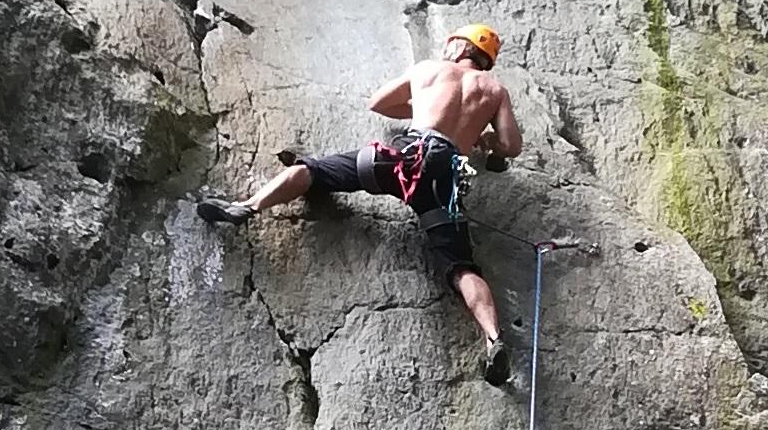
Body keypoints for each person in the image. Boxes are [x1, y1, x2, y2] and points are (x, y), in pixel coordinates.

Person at [198, 25, 525, 383]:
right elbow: (510, 146)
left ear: (461, 46)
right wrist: (482, 134)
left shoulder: (428, 69)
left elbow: (379, 102)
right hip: (441, 182)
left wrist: (423, 101)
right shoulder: (494, 91)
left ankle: (248, 206)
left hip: (402, 158)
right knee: (461, 267)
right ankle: (493, 340)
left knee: (311, 170)